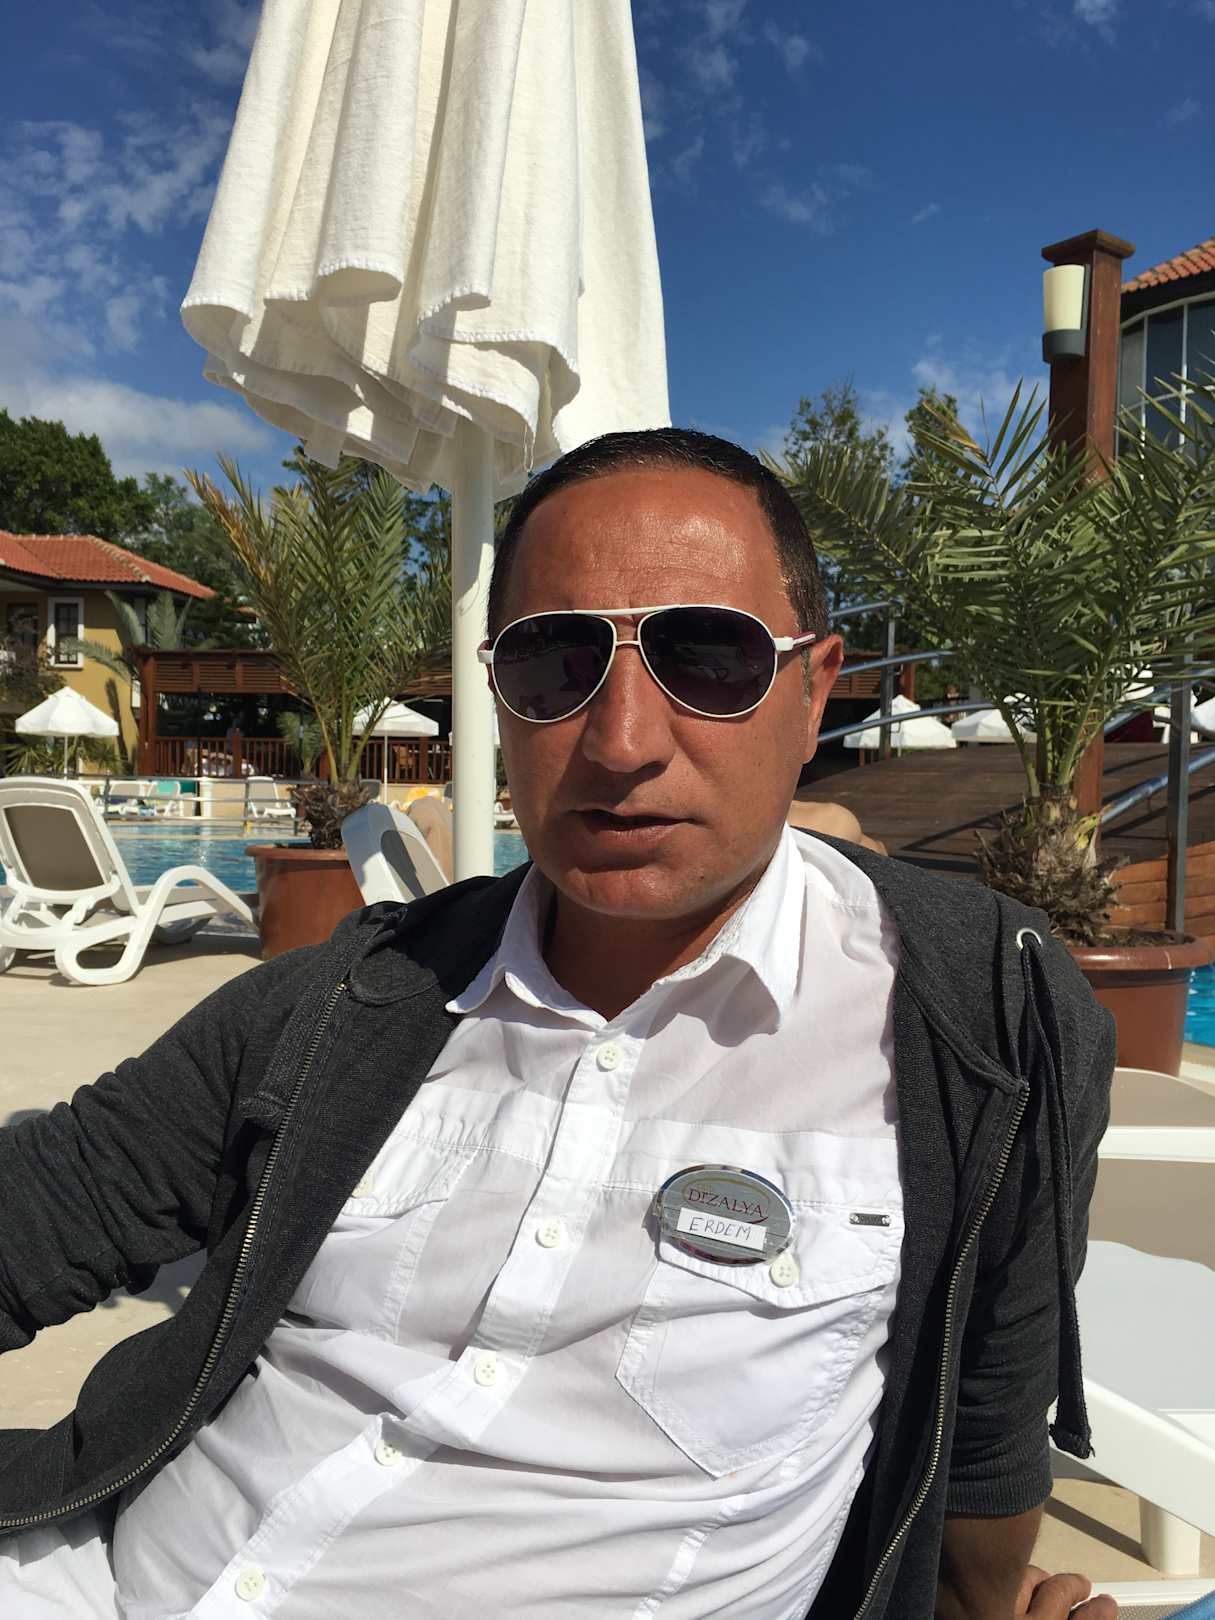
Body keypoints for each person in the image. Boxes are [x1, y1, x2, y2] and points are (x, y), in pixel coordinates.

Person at [0, 428, 1117, 1619]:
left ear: (812, 690)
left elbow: (984, 1441)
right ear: (500, 695)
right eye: (554, 663)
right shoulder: (359, 997)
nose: (622, 742)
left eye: (708, 658)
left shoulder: (978, 1025)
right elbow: (55, 1199)